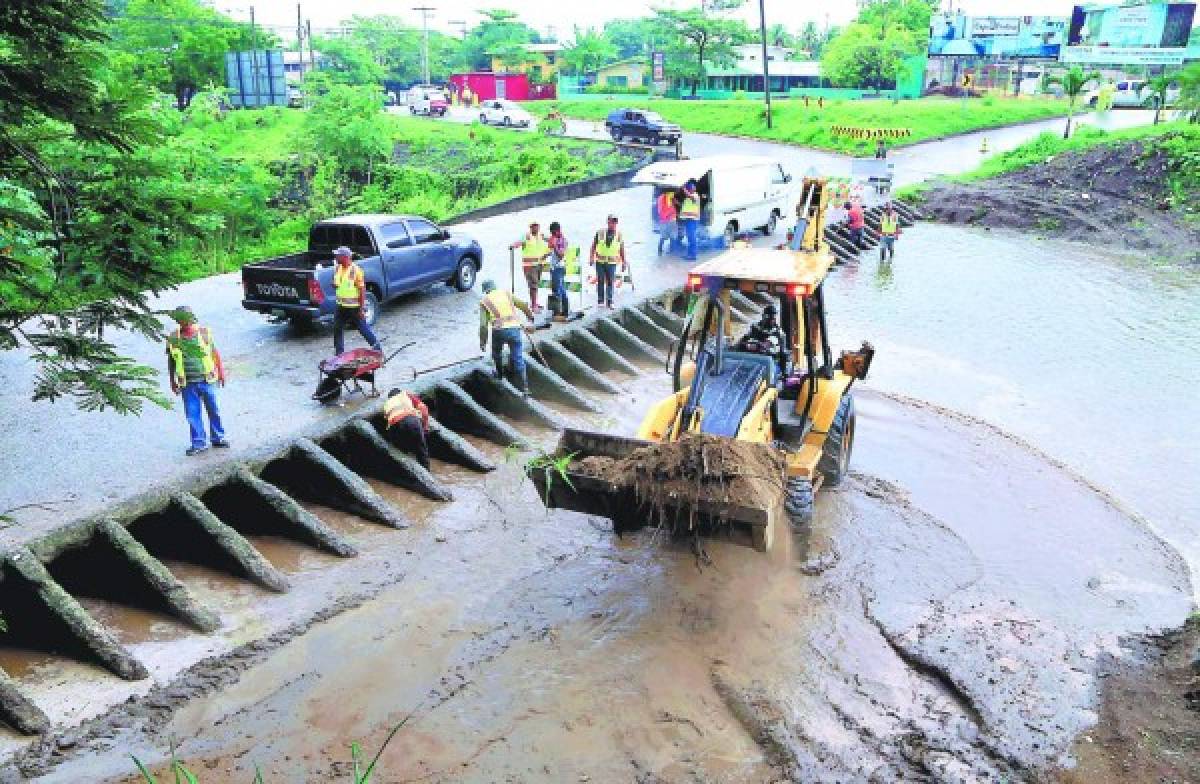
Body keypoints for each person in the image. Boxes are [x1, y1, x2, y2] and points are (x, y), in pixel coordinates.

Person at [165, 306, 229, 456]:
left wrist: (221, 373)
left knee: (214, 410)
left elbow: (215, 353)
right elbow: (171, 361)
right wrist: (172, 381)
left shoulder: (204, 333)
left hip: (208, 380)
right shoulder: (174, 338)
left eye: (188, 318)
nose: (185, 321)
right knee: (192, 414)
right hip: (187, 384)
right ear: (177, 320)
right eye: (181, 318)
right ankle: (199, 443)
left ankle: (218, 438)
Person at [479, 279, 534, 394]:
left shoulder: (485, 301)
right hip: (515, 329)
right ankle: (525, 387)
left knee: (496, 353)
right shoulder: (506, 293)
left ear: (485, 291)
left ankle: (499, 374)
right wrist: (530, 316)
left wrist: (483, 342)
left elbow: (483, 326)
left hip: (499, 331)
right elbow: (523, 305)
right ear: (495, 287)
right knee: (518, 357)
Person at [331, 246, 381, 355]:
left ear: (345, 257)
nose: (335, 257)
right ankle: (339, 354)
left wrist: (362, 309)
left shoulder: (356, 270)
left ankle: (378, 349)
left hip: (354, 307)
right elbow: (336, 284)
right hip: (340, 306)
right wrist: (334, 284)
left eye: (337, 255)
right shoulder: (338, 268)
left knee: (363, 329)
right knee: (337, 329)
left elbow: (362, 290)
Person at [384, 387, 431, 469]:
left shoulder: (387, 403)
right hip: (411, 421)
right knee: (421, 450)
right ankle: (426, 471)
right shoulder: (406, 394)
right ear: (400, 392)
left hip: (394, 425)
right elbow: (423, 408)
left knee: (400, 450)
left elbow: (387, 420)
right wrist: (425, 426)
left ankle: (403, 470)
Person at [737, 303, 788, 377]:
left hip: (769, 359)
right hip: (753, 356)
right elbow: (745, 338)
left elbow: (767, 344)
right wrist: (742, 344)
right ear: (764, 316)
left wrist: (758, 345)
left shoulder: (778, 332)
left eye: (773, 317)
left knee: (783, 354)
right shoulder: (755, 327)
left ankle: (784, 374)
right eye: (768, 316)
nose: (771, 319)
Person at [510, 221, 551, 313]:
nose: (535, 228)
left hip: (539, 264)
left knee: (536, 284)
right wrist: (513, 245)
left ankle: (535, 303)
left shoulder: (541, 235)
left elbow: (551, 240)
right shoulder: (526, 236)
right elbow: (519, 242)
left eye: (536, 226)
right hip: (529, 266)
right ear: (530, 227)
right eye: (533, 226)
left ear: (539, 227)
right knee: (533, 285)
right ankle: (533, 306)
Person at [589, 214, 627, 310]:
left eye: (615, 222)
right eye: (611, 222)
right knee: (600, 280)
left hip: (612, 263)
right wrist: (591, 258)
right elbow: (593, 246)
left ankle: (610, 301)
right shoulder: (600, 232)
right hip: (600, 261)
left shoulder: (619, 235)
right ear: (608, 222)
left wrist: (624, 262)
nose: (613, 224)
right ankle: (600, 300)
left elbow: (622, 249)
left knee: (610, 282)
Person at [547, 221, 570, 319]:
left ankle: (563, 311)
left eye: (553, 233)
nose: (552, 235)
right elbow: (551, 250)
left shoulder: (563, 240)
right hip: (554, 268)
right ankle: (558, 311)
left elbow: (560, 255)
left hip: (559, 268)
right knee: (557, 289)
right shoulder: (554, 239)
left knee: (559, 290)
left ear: (557, 231)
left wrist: (555, 245)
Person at [679, 180, 702, 261]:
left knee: (692, 238)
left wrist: (683, 188)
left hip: (692, 220)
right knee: (689, 238)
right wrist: (676, 203)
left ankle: (693, 256)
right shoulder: (687, 199)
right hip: (688, 220)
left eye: (693, 187)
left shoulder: (695, 196)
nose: (693, 188)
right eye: (692, 187)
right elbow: (685, 207)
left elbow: (690, 197)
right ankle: (689, 254)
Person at [655, 189, 677, 255]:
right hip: (670, 219)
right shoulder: (667, 196)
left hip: (663, 220)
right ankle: (672, 251)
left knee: (663, 236)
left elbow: (660, 210)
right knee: (672, 236)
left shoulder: (659, 198)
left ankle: (660, 251)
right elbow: (669, 208)